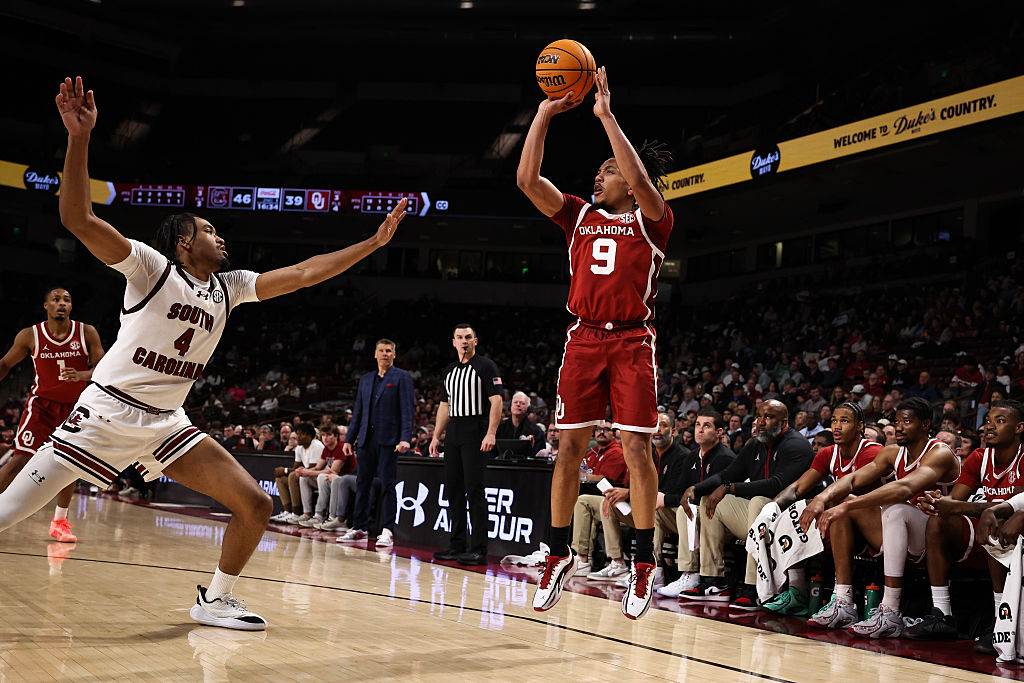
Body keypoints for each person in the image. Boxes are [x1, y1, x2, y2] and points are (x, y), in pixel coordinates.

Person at [0, 76, 406, 631]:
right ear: (183, 242)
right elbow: (79, 220)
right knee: (5, 514)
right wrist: (78, 139)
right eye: (209, 229)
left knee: (256, 504)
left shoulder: (230, 286)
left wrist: (372, 245)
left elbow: (306, 273)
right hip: (105, 415)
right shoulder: (150, 266)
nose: (222, 237)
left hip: (168, 424)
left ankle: (215, 600)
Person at [518, 65, 674, 620]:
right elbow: (527, 182)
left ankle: (641, 564)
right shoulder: (579, 216)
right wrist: (542, 115)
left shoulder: (655, 221)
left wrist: (606, 118)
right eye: (599, 171)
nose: (597, 178)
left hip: (632, 341)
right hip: (582, 338)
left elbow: (639, 181)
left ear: (630, 182)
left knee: (637, 450)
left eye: (608, 173)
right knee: (568, 449)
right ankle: (558, 555)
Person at [801, 397, 960, 638]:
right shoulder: (892, 452)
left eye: (907, 422)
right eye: (897, 422)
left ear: (926, 425)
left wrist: (852, 504)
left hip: (940, 537)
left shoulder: (940, 452)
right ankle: (843, 601)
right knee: (841, 502)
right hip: (903, 533)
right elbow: (853, 479)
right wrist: (822, 498)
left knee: (895, 508)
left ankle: (890, 611)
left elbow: (905, 488)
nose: (899, 427)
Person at [903, 400, 1024, 644]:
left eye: (1000, 422)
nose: (989, 427)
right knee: (938, 521)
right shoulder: (979, 457)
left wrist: (961, 507)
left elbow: (1016, 506)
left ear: (1019, 427)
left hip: (1012, 534)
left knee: (997, 523)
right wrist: (935, 503)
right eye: (988, 421)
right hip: (988, 539)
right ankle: (942, 614)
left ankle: (1003, 621)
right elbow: (953, 501)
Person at [678, 400, 814, 609]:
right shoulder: (755, 445)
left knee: (760, 502)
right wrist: (697, 489)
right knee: (710, 500)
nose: (760, 422)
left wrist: (730, 488)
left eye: (767, 417)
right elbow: (727, 475)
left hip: (793, 520)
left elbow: (776, 485)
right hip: (759, 521)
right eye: (758, 416)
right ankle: (713, 580)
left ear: (784, 421)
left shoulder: (796, 445)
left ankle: (753, 587)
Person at [0, 287, 105, 543]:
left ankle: (59, 522)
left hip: (76, 408)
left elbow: (104, 367)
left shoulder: (86, 332)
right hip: (42, 406)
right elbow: (4, 364)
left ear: (71, 306)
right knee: (19, 460)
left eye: (67, 300)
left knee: (67, 466)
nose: (62, 304)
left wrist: (83, 375)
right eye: (56, 300)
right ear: (45, 305)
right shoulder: (30, 335)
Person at [769, 402, 883, 622]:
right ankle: (796, 590)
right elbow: (797, 488)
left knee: (838, 505)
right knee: (794, 510)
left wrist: (820, 500)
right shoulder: (829, 453)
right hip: (842, 522)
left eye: (844, 421)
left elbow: (849, 492)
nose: (837, 426)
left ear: (860, 426)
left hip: (876, 526)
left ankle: (843, 600)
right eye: (834, 420)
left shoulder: (872, 452)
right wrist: (773, 508)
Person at [429, 324, 503, 566]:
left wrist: (491, 432)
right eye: (459, 337)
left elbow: (497, 401)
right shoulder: (449, 370)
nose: (464, 341)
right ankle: (456, 544)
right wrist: (436, 435)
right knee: (453, 490)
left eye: (468, 337)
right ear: (453, 342)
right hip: (454, 432)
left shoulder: (485, 366)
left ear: (475, 341)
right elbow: (444, 405)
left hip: (476, 429)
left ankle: (479, 549)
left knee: (474, 489)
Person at [338, 339, 414, 547]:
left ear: (394, 355)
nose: (385, 354)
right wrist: (349, 439)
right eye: (381, 350)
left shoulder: (402, 377)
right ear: (375, 354)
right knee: (362, 484)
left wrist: (405, 437)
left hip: (390, 441)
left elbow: (408, 410)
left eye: (389, 351)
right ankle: (359, 528)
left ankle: (388, 530)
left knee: (389, 485)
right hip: (365, 440)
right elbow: (358, 412)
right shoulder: (366, 379)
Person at [655, 408, 734, 597]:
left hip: (720, 521)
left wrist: (667, 498)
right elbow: (679, 493)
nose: (700, 430)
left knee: (686, 509)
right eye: (698, 425)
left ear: (719, 432)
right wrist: (665, 499)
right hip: (696, 517)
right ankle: (654, 570)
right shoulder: (692, 456)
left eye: (706, 426)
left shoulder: (725, 458)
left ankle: (689, 573)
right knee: (656, 510)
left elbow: (714, 498)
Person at [496, 391, 546, 455]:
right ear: (510, 407)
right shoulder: (500, 427)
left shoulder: (536, 431)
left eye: (522, 403)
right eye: (515, 402)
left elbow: (540, 456)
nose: (518, 404)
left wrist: (530, 447)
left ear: (528, 408)